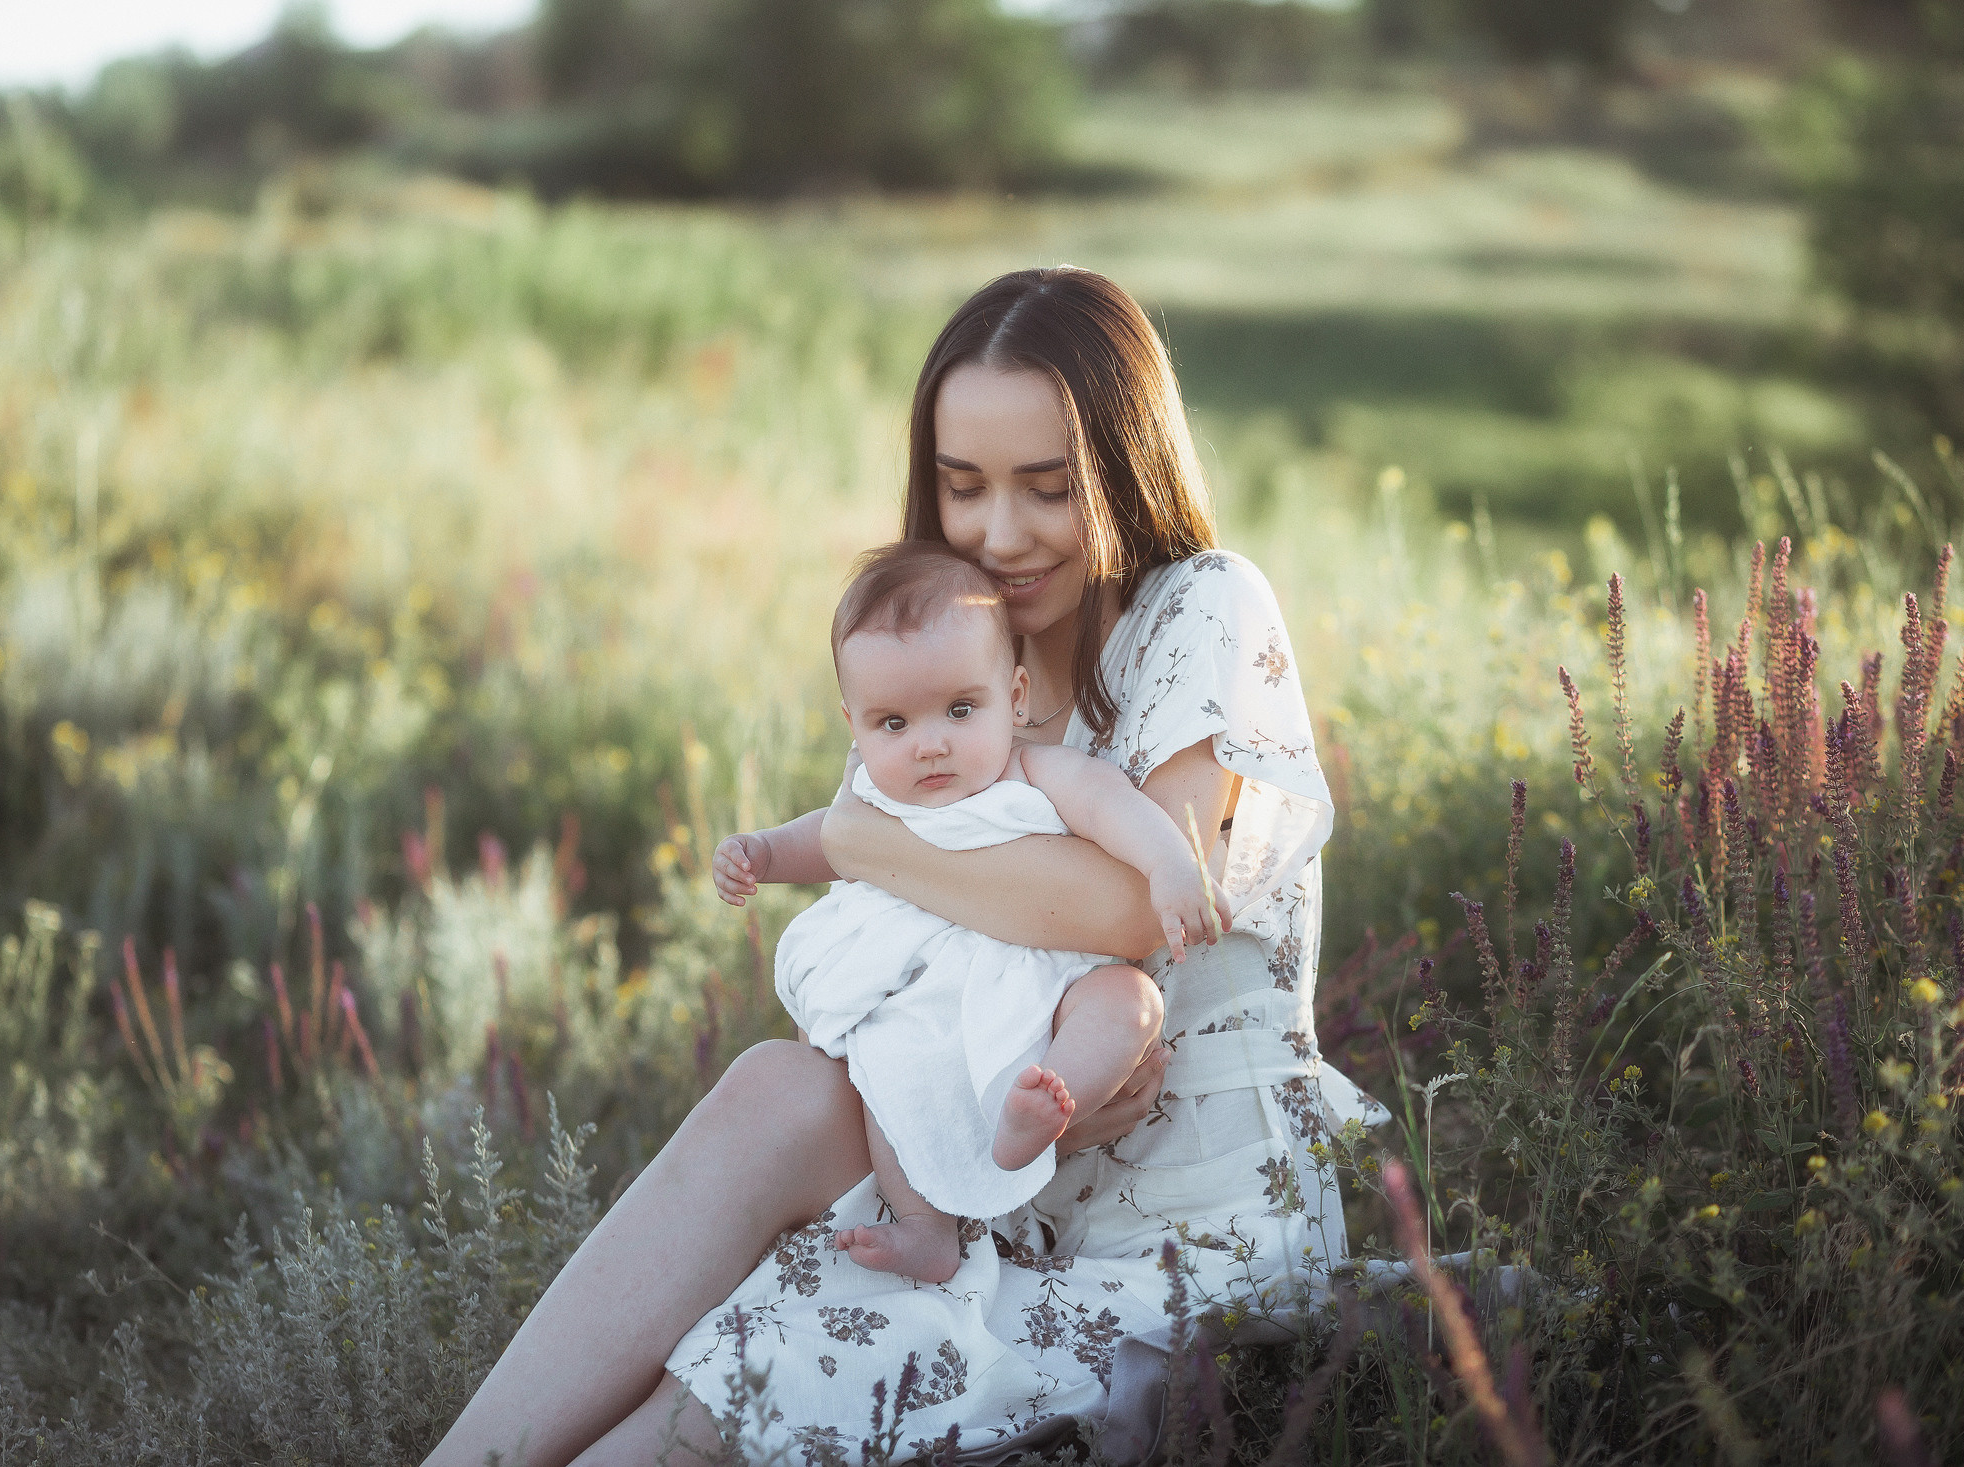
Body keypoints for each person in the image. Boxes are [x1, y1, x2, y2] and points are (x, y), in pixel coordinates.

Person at [423, 266, 1378, 1467]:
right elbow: (906, 982)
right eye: (962, 484)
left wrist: (867, 839)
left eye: (1048, 487)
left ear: (1125, 469)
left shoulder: (1202, 609)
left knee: (750, 1393)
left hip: (1192, 1234)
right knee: (776, 1103)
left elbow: (1138, 907)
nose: (999, 532)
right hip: (991, 1194)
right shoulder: (953, 648)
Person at [712, 539, 1233, 1285]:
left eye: (961, 709)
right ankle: (926, 1228)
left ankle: (1054, 1099)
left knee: (1129, 1000)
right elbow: (831, 841)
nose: (930, 745)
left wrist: (1170, 864)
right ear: (853, 723)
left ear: (1014, 698)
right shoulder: (873, 792)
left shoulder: (1032, 766)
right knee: (888, 1062)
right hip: (930, 993)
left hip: (1040, 978)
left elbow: (1110, 805)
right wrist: (762, 852)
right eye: (893, 723)